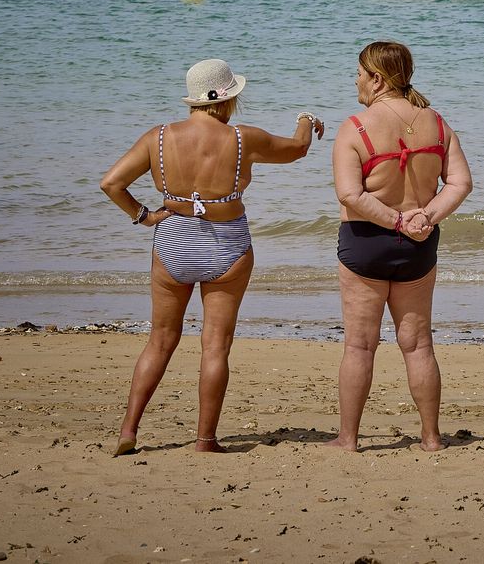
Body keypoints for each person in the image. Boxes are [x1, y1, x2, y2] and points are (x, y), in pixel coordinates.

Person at [100, 58, 325, 455]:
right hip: (228, 245)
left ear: (193, 100)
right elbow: (299, 149)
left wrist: (144, 216)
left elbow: (112, 183)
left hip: (173, 242)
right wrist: (307, 117)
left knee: (159, 341)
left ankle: (128, 431)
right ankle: (205, 440)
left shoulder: (159, 137)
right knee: (215, 347)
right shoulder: (243, 138)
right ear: (227, 100)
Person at [327, 41, 471, 452]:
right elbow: (460, 183)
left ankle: (349, 439)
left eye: (358, 71)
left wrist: (395, 220)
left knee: (359, 345)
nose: (354, 78)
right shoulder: (438, 124)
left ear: (377, 78)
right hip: (418, 247)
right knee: (419, 344)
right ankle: (430, 438)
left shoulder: (355, 127)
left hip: (366, 245)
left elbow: (350, 195)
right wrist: (423, 217)